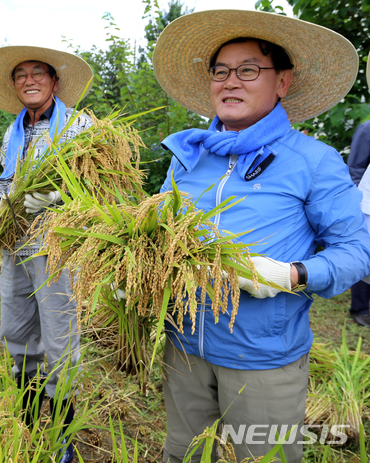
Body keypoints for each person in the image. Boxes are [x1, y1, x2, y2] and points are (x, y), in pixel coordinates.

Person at [151, 10, 370, 462]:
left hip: (263, 357)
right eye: (220, 71)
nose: (230, 82)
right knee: (183, 455)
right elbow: (160, 231)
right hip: (184, 348)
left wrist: (292, 274)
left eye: (249, 70)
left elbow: (358, 250)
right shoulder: (188, 155)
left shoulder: (313, 160)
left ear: (283, 82)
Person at [0, 45, 93, 463]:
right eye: (21, 74)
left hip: (57, 247)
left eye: (37, 72)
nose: (29, 79)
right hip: (15, 245)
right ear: (14, 85)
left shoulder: (78, 125)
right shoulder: (13, 131)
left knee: (61, 340)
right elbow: (7, 181)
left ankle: (63, 438)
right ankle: (25, 424)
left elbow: (97, 184)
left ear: (54, 81)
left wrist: (58, 196)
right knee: (16, 331)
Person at [346, 118, 370, 327]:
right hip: (368, 205)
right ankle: (360, 308)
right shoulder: (367, 128)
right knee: (364, 257)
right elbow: (355, 168)